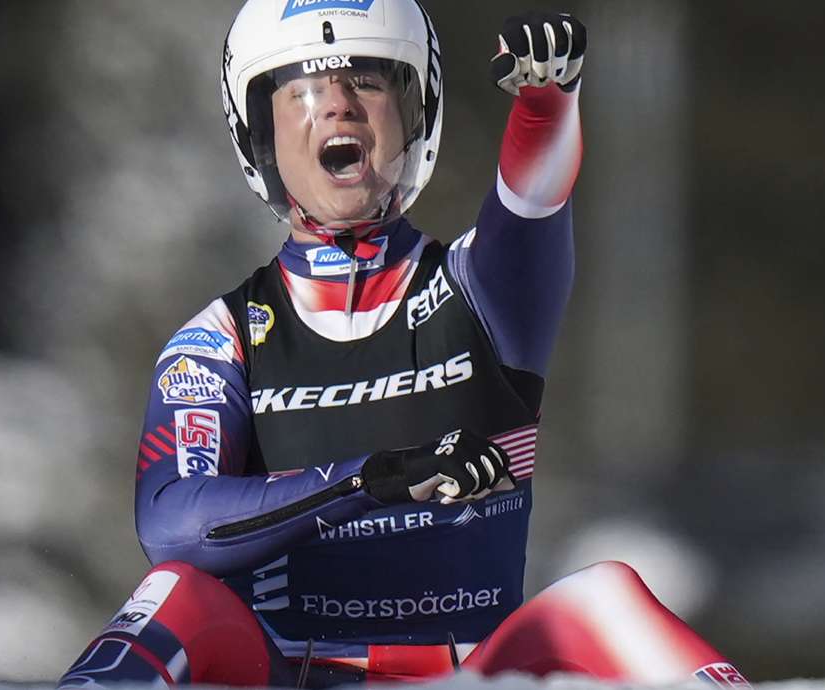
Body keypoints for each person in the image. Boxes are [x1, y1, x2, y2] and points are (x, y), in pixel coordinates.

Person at [59, 1, 750, 687]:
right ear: (257, 134)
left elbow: (533, 202)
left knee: (603, 595)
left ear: (418, 111)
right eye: (300, 89)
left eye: (367, 80)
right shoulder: (218, 340)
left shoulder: (485, 293)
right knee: (174, 592)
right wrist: (371, 479)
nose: (337, 108)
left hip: (472, 675)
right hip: (282, 674)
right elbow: (173, 526)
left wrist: (547, 102)